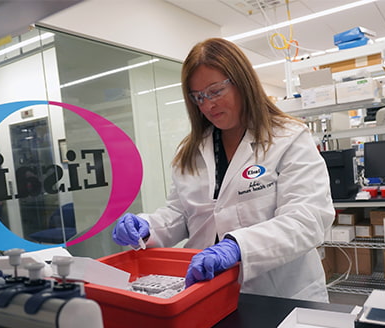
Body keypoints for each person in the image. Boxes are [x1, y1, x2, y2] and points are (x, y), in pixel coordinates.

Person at [112, 38, 335, 302]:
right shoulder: (192, 151)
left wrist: (238, 246)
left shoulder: (288, 138)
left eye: (215, 91)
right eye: (198, 97)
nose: (207, 106)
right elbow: (181, 214)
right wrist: (147, 226)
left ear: (242, 82)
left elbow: (306, 219)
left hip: (280, 295)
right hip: (207, 294)